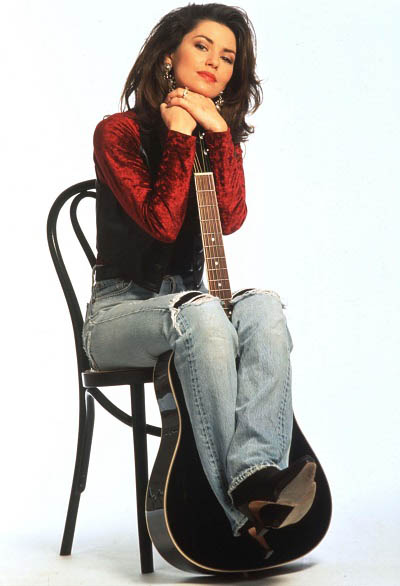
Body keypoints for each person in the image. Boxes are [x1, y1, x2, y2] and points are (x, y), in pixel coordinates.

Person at [82, 2, 316, 552]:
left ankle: (257, 477)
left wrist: (218, 133)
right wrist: (181, 136)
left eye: (228, 57)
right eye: (202, 46)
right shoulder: (117, 132)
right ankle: (238, 510)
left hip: (192, 311)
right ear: (169, 55)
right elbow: (162, 224)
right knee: (202, 311)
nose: (215, 62)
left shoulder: (214, 136)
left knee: (263, 305)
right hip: (119, 315)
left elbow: (230, 218)